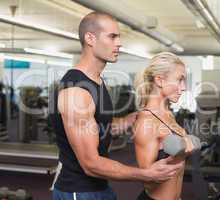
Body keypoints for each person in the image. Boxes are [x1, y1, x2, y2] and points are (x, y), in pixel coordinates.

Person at [50, 12, 183, 200]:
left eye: (119, 37)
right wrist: (146, 174)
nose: (119, 43)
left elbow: (100, 128)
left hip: (99, 188)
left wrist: (133, 118)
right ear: (90, 38)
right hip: (78, 191)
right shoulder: (76, 91)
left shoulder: (96, 81)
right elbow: (90, 164)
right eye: (112, 36)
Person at [134, 52, 196, 200]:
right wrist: (181, 154)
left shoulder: (167, 114)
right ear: (160, 80)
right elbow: (148, 181)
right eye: (179, 80)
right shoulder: (147, 122)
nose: (183, 87)